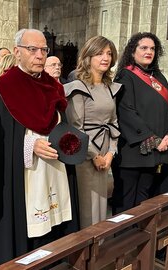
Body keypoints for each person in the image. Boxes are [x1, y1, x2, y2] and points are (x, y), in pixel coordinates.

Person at [0, 28, 79, 269]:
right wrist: (30, 145)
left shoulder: (52, 86)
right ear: (17, 52)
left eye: (43, 50)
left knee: (56, 219)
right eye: (32, 49)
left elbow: (61, 121)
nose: (39, 55)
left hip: (54, 167)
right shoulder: (4, 86)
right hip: (25, 172)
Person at [111, 32, 168, 214]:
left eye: (152, 48)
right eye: (144, 48)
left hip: (156, 152)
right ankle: (121, 239)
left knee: (144, 199)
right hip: (133, 151)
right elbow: (126, 113)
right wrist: (154, 139)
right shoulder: (125, 76)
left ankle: (139, 237)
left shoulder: (159, 77)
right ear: (133, 52)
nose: (149, 52)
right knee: (126, 200)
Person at [64, 36, 121, 228]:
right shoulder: (78, 87)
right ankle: (85, 252)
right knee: (86, 205)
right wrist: (94, 155)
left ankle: (100, 247)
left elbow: (113, 122)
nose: (105, 58)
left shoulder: (108, 87)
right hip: (83, 153)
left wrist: (111, 153)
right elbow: (75, 128)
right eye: (99, 53)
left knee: (101, 205)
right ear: (88, 57)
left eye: (109, 54)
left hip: (105, 153)